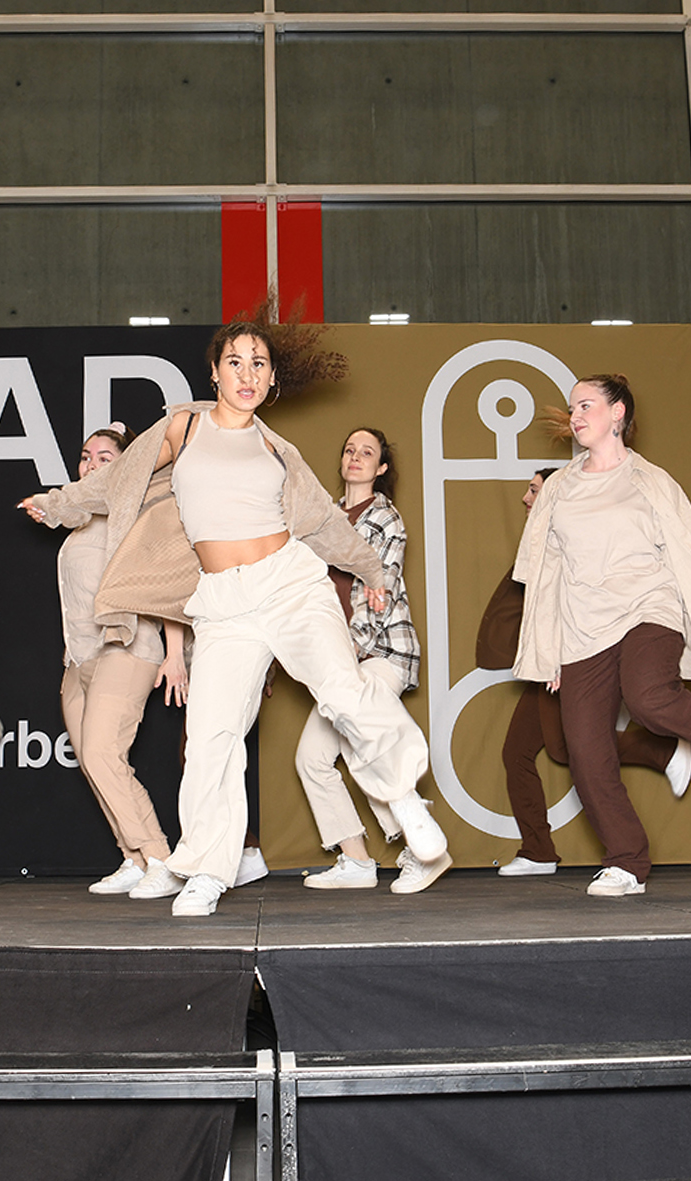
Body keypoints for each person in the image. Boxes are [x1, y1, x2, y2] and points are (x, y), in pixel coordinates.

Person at [22, 316, 446, 917]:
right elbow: (120, 478)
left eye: (259, 364)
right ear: (215, 373)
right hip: (222, 601)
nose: (247, 374)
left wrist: (373, 572)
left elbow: (324, 522)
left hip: (290, 584)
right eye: (236, 362)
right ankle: (206, 868)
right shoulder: (184, 427)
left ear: (271, 381)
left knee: (343, 691)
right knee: (210, 737)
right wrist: (59, 503)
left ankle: (404, 801)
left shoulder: (278, 450)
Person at [513, 375, 691, 899]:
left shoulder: (651, 481)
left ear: (618, 413)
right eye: (572, 408)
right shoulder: (558, 489)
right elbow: (545, 574)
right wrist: (546, 651)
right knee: (585, 749)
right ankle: (625, 861)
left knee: (649, 698)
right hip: (583, 626)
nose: (575, 416)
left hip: (649, 605)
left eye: (586, 405)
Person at [480, 469, 691, 876]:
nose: (526, 498)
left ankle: (660, 751)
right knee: (518, 752)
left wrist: (557, 658)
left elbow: (575, 600)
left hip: (568, 660)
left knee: (567, 750)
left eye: (534, 490)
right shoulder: (540, 536)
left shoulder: (570, 532)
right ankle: (538, 851)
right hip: (550, 662)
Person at [296, 427, 449, 894]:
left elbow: (379, 582)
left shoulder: (385, 518)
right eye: (350, 450)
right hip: (340, 659)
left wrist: (351, 647)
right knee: (312, 758)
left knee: (367, 745)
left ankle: (425, 851)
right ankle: (357, 860)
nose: (356, 457)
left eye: (367, 453)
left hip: (380, 650)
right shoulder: (324, 518)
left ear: (381, 468)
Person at [48, 425, 190, 898]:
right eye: (86, 456)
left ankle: (161, 858)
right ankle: (133, 857)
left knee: (101, 753)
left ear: (127, 467)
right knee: (95, 764)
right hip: (79, 659)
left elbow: (164, 583)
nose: (91, 464)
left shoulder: (134, 513)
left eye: (105, 458)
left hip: (128, 647)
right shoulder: (80, 521)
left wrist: (175, 654)